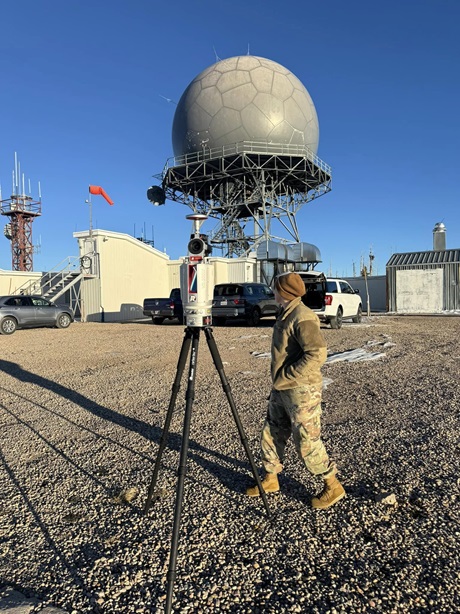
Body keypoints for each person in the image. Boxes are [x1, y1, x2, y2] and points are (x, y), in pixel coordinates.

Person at [246, 272, 345, 509]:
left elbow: (317, 353)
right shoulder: (286, 312)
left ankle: (333, 485)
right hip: (282, 388)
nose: (273, 290)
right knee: (272, 429)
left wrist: (290, 375)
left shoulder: (302, 316)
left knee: (307, 440)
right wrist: (282, 380)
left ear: (285, 292)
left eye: (276, 287)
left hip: (301, 390)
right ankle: (271, 479)